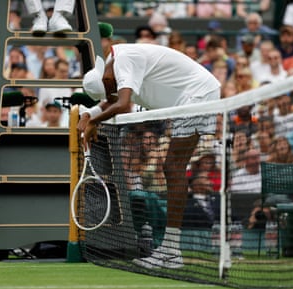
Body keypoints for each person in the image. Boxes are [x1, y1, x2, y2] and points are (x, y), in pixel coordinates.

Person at [79, 43, 221, 269]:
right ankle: (170, 249)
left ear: (107, 80)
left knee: (173, 167)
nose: (112, 92)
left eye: (110, 88)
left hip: (197, 94)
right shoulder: (116, 64)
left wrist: (95, 121)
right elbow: (116, 102)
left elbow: (123, 104)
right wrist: (88, 113)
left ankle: (171, 251)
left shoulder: (124, 60)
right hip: (192, 96)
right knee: (172, 167)